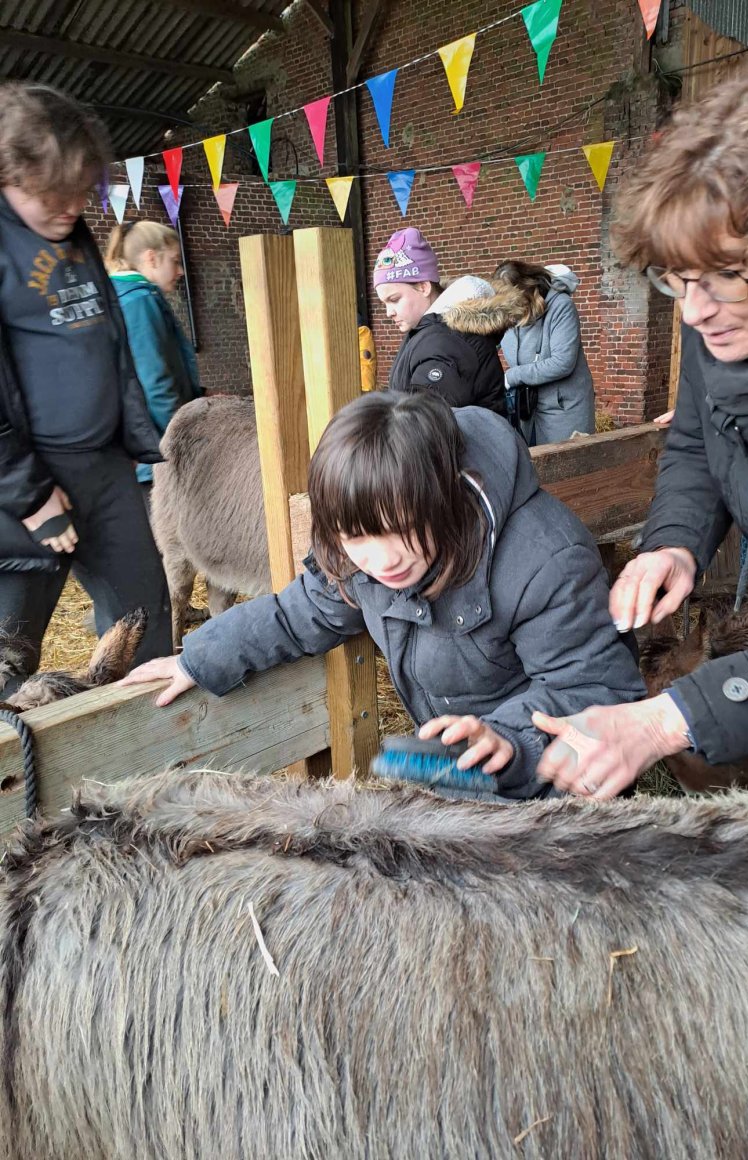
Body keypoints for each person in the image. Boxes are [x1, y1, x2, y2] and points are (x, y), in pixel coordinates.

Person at [534, 58, 748, 798]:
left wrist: (661, 722)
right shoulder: (729, 322)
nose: (691, 310)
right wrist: (675, 544)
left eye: (718, 280)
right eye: (676, 281)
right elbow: (697, 436)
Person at [121, 390, 645, 800]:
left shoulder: (543, 560)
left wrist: (503, 741)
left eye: (401, 528)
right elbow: (299, 611)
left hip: (564, 795)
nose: (381, 559)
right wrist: (201, 658)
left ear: (442, 497)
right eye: (356, 537)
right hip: (462, 778)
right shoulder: (364, 559)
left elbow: (596, 687)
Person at [0, 82, 171, 692]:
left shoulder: (66, 228)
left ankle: (147, 774)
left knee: (143, 621)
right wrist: (30, 497)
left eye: (79, 190)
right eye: (54, 193)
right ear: (10, 174)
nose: (72, 206)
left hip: (102, 465)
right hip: (24, 485)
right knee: (9, 651)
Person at [105, 220, 202, 497]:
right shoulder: (139, 302)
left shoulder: (133, 297)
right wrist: (184, 440)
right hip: (157, 454)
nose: (180, 271)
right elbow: (154, 381)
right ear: (151, 258)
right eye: (174, 261)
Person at [373, 227, 506, 415]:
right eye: (384, 303)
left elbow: (426, 427)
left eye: (394, 300)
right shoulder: (428, 331)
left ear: (423, 287)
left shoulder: (445, 341)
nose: (388, 313)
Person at [494, 259, 595, 444]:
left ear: (530, 290)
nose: (513, 312)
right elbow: (487, 345)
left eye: (516, 303)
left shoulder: (561, 306)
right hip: (527, 407)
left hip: (563, 408)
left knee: (565, 468)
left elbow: (562, 362)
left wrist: (512, 376)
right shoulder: (509, 310)